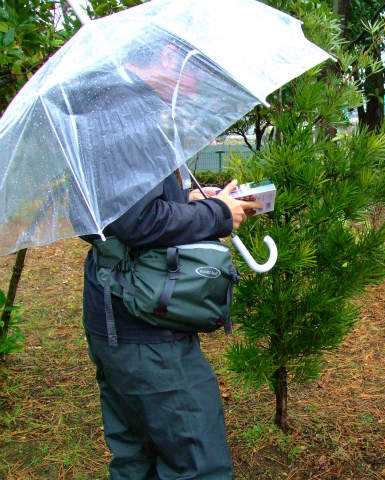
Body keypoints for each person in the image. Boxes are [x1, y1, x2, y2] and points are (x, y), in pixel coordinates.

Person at [80, 36, 262, 479]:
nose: (199, 86)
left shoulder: (106, 108)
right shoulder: (126, 116)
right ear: (167, 57)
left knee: (135, 457)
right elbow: (137, 222)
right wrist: (218, 214)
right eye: (199, 70)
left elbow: (117, 210)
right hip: (144, 329)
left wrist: (193, 200)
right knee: (197, 462)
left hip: (117, 318)